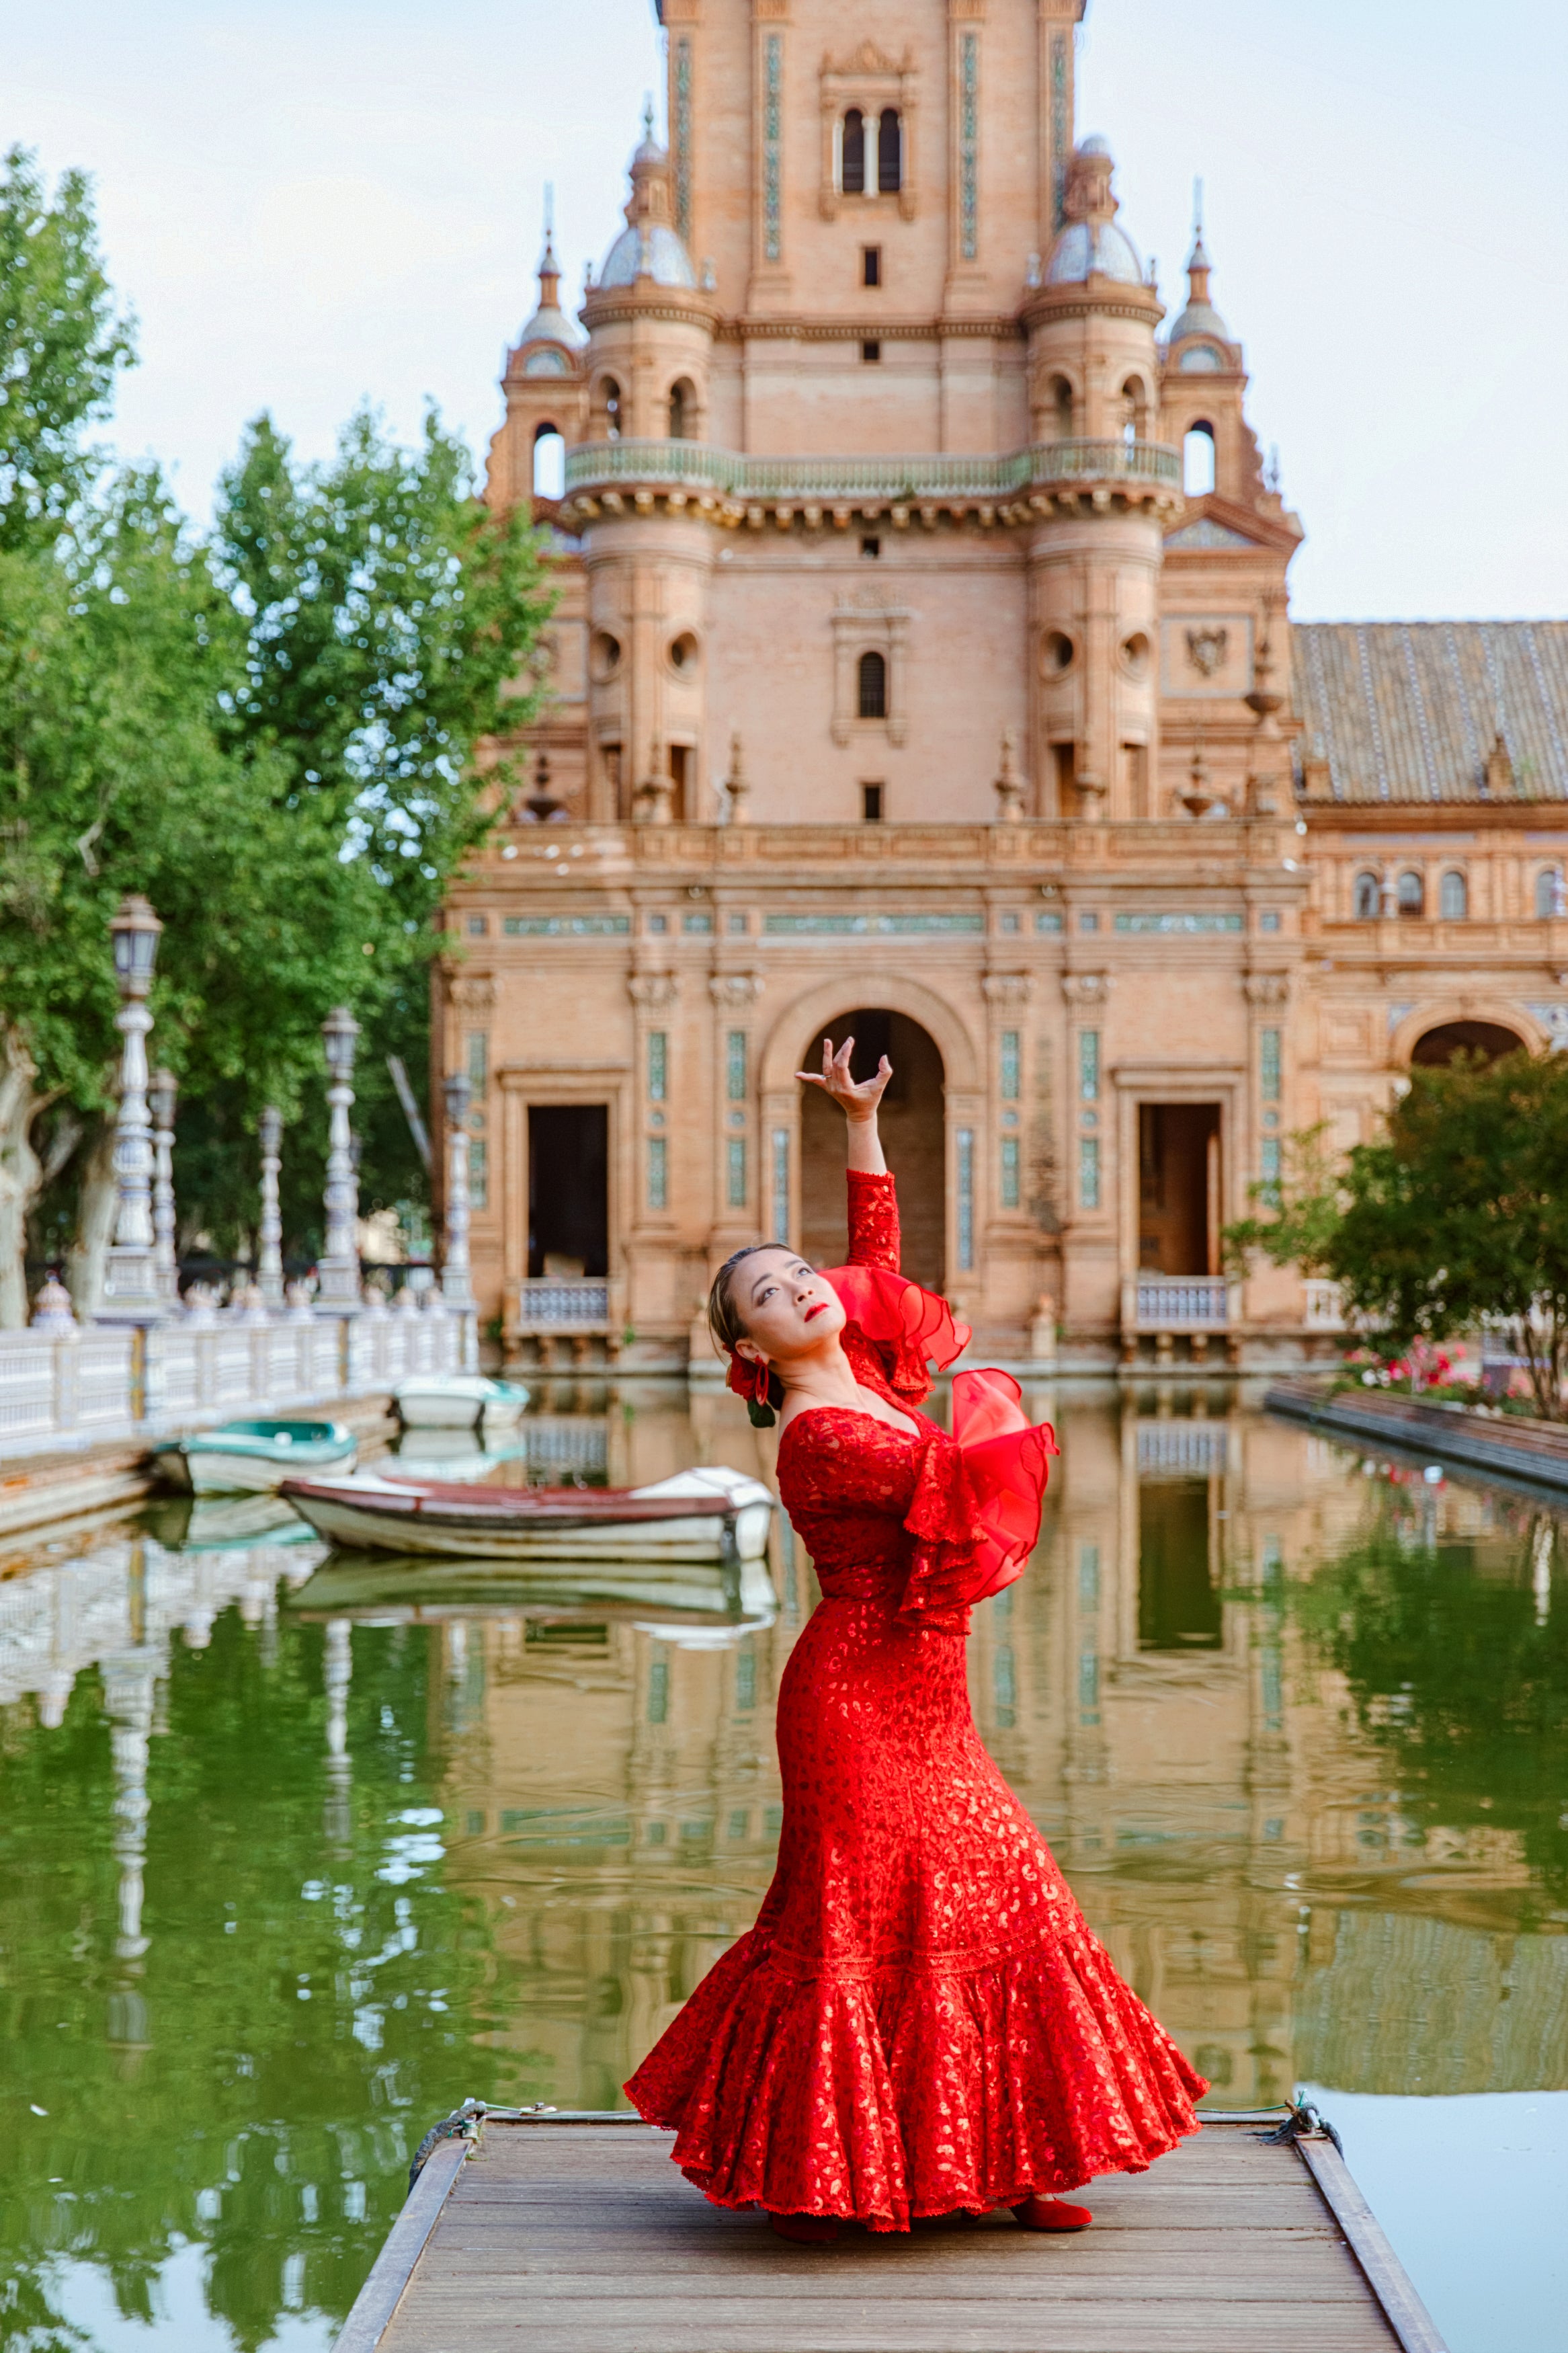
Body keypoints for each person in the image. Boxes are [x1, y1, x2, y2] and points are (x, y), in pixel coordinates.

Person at [626, 1037, 1206, 2243]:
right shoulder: (820, 1436)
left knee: (1001, 1893)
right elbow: (951, 1485)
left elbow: (878, 1254)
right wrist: (996, 1441)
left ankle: (1012, 2161)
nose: (801, 1288)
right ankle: (821, 2172)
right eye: (769, 1297)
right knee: (860, 1923)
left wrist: (860, 1124)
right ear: (748, 1351)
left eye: (799, 1273)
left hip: (926, 1696)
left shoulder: (874, 1378)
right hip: (851, 1701)